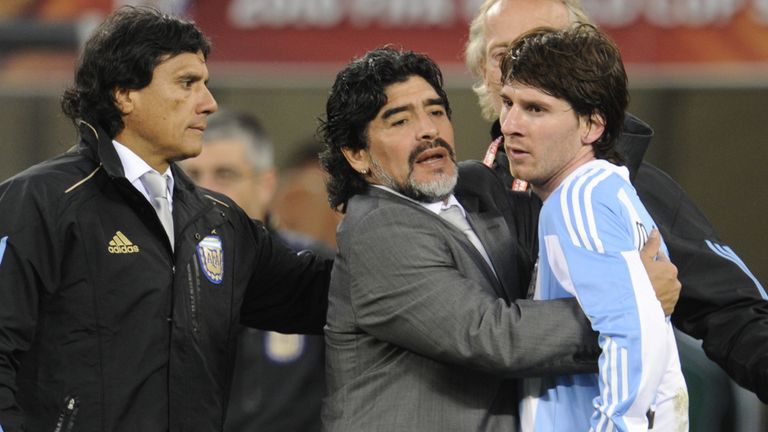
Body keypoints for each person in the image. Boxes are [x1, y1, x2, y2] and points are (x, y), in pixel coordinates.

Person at [0, 6, 331, 431]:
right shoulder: (40, 201)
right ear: (124, 93)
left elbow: (319, 295)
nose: (208, 103)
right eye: (187, 83)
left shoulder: (218, 221)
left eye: (206, 84)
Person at [318, 46, 677, 431]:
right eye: (400, 121)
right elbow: (489, 336)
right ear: (357, 154)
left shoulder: (477, 190)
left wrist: (584, 106)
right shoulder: (377, 230)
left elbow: (569, 186)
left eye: (436, 111)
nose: (429, 129)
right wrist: (631, 308)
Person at [465, 0, 768, 404]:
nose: (524, 65)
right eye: (504, 55)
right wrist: (633, 303)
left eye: (542, 46)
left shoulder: (634, 189)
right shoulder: (457, 198)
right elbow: (463, 333)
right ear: (482, 71)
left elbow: (734, 315)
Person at [500, 24, 687, 430]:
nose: (510, 124)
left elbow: (631, 337)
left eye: (536, 108)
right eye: (508, 103)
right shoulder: (608, 191)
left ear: (592, 126)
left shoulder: (579, 198)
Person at [179, 110, 329, 432]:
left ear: (266, 184)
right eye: (192, 176)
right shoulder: (161, 277)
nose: (205, 192)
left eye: (224, 174)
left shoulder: (315, 274)